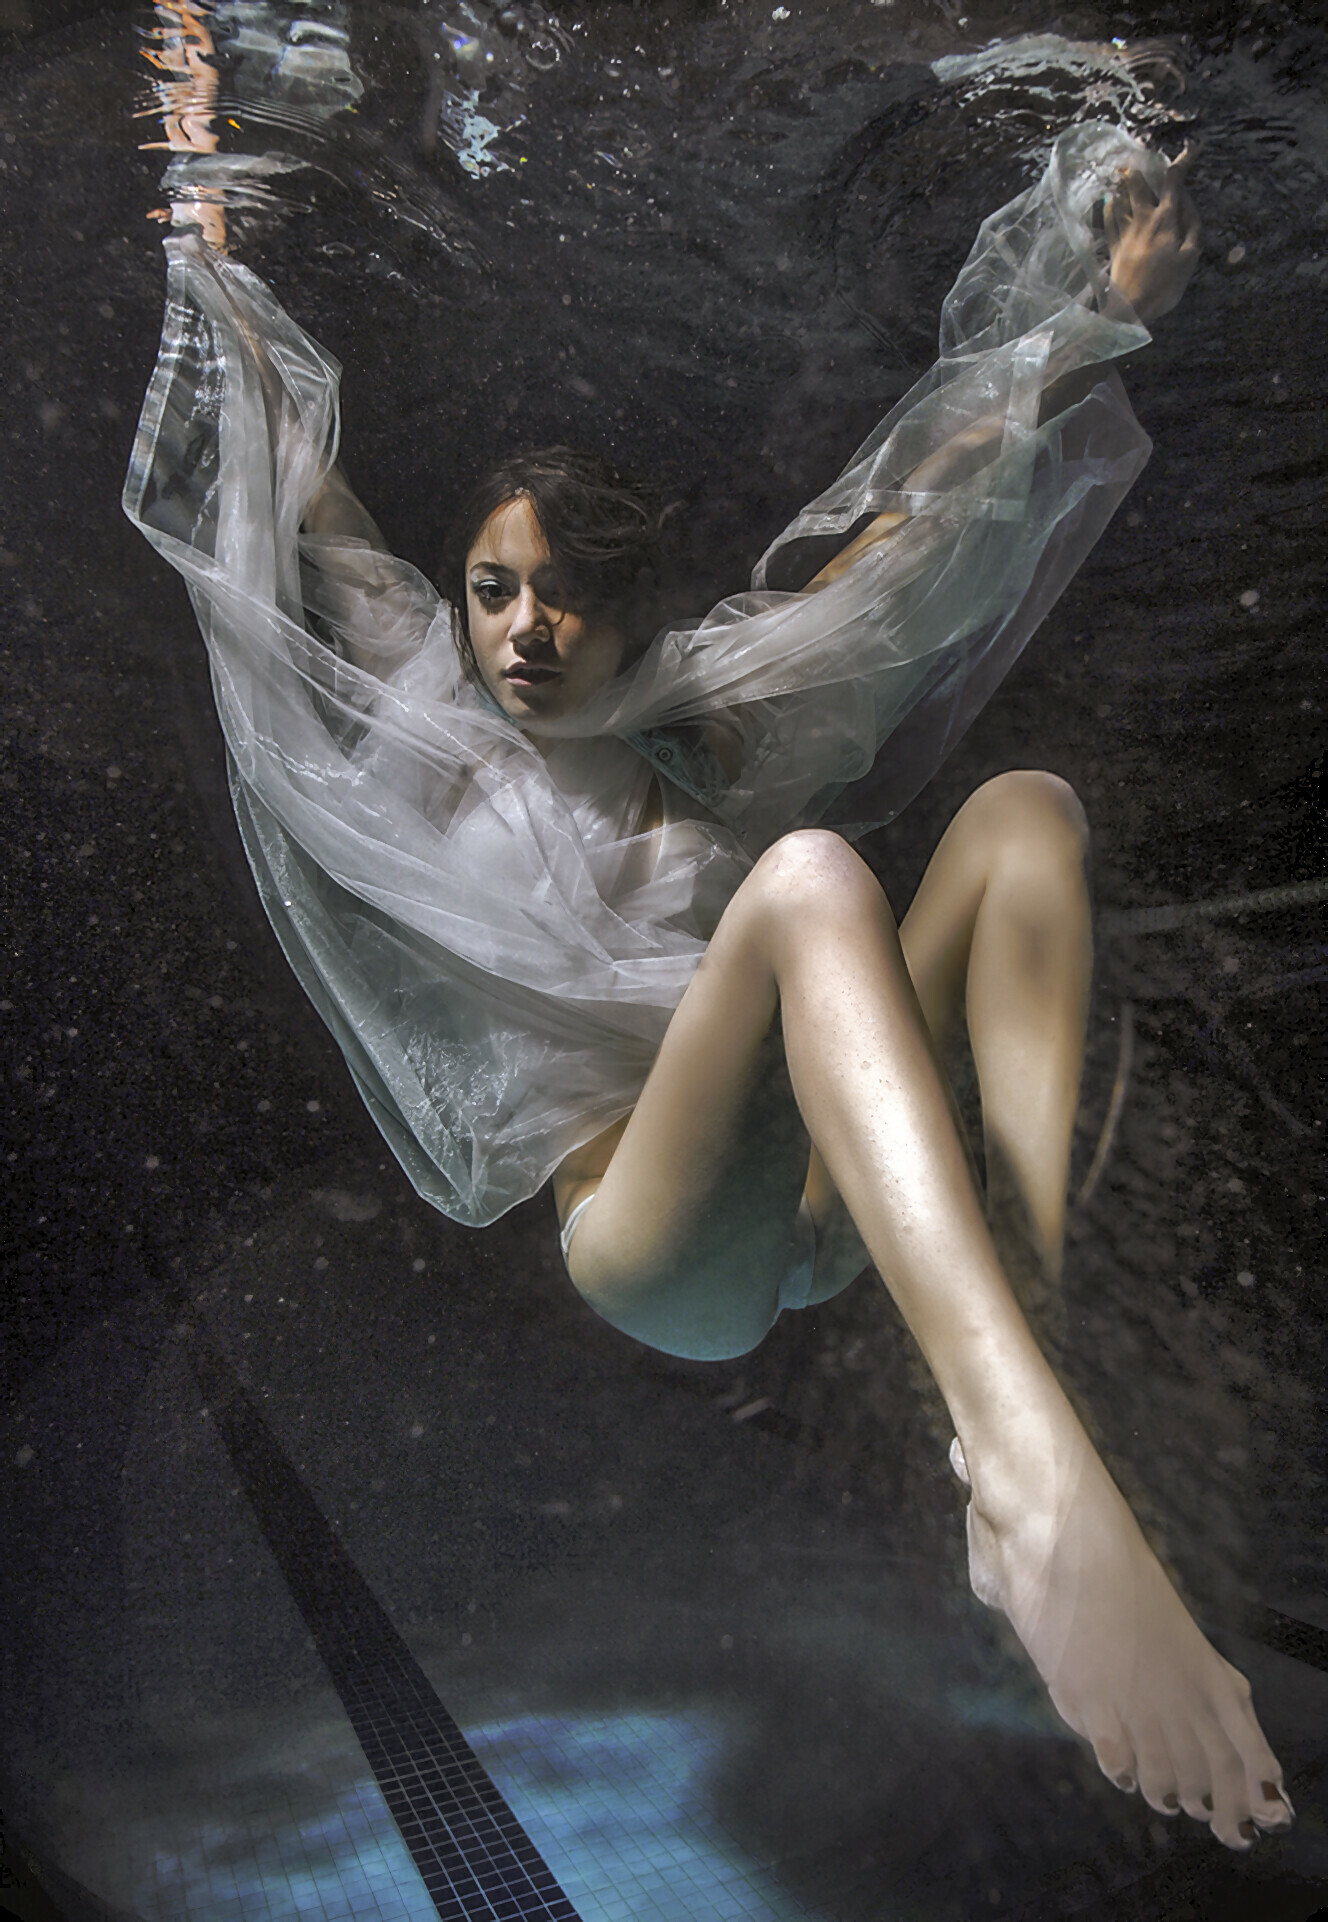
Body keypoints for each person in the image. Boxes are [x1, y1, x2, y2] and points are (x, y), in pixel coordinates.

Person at [125, 109, 1292, 1852]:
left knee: (1027, 817)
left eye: (563, 596)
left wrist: (1098, 315)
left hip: (841, 1195)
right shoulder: (435, 728)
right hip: (660, 1243)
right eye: (493, 591)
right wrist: (208, 239)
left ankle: (1031, 1357)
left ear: (632, 611)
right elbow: (304, 486)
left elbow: (929, 522)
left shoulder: (718, 725)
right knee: (814, 881)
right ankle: (1029, 1460)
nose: (522, 627)